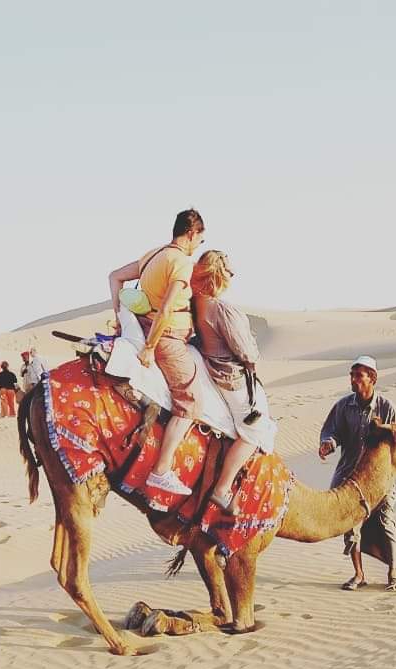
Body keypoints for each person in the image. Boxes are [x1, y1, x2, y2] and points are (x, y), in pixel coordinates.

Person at [108, 208, 206, 495]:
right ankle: (161, 470)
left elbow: (114, 276)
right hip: (167, 339)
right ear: (191, 233)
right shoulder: (182, 262)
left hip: (141, 324)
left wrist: (117, 314)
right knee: (191, 403)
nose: (200, 244)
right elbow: (166, 308)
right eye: (200, 238)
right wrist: (150, 347)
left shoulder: (153, 255)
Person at [190, 250, 278, 510]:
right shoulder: (220, 308)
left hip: (212, 369)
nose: (232, 274)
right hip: (231, 378)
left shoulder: (197, 303)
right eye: (228, 269)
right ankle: (222, 488)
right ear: (217, 272)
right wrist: (253, 358)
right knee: (255, 431)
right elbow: (247, 352)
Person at [319, 355, 396, 590]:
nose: (353, 380)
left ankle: (393, 572)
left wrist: (382, 429)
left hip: (380, 478)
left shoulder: (387, 408)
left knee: (386, 521)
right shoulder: (344, 406)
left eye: (359, 376)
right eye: (352, 375)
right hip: (350, 476)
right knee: (350, 526)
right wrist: (328, 443)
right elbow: (332, 432)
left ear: (372, 379)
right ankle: (359, 574)